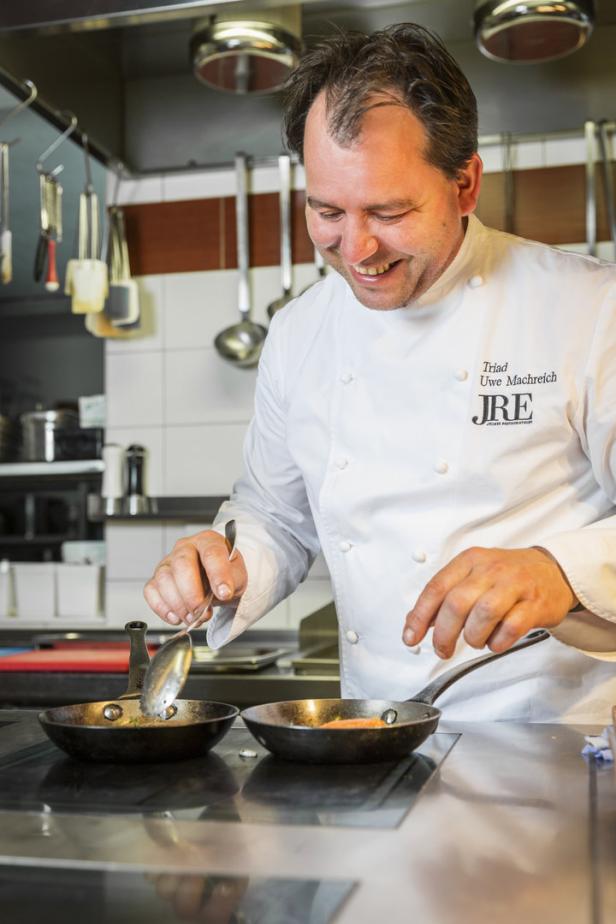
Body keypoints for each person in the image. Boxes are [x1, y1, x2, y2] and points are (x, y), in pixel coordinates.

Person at [144, 23, 616, 722]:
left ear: (464, 185)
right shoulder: (298, 333)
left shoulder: (588, 307)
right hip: (378, 732)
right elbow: (277, 518)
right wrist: (229, 565)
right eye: (326, 211)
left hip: (558, 742)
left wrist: (559, 569)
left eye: (389, 212)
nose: (357, 248)